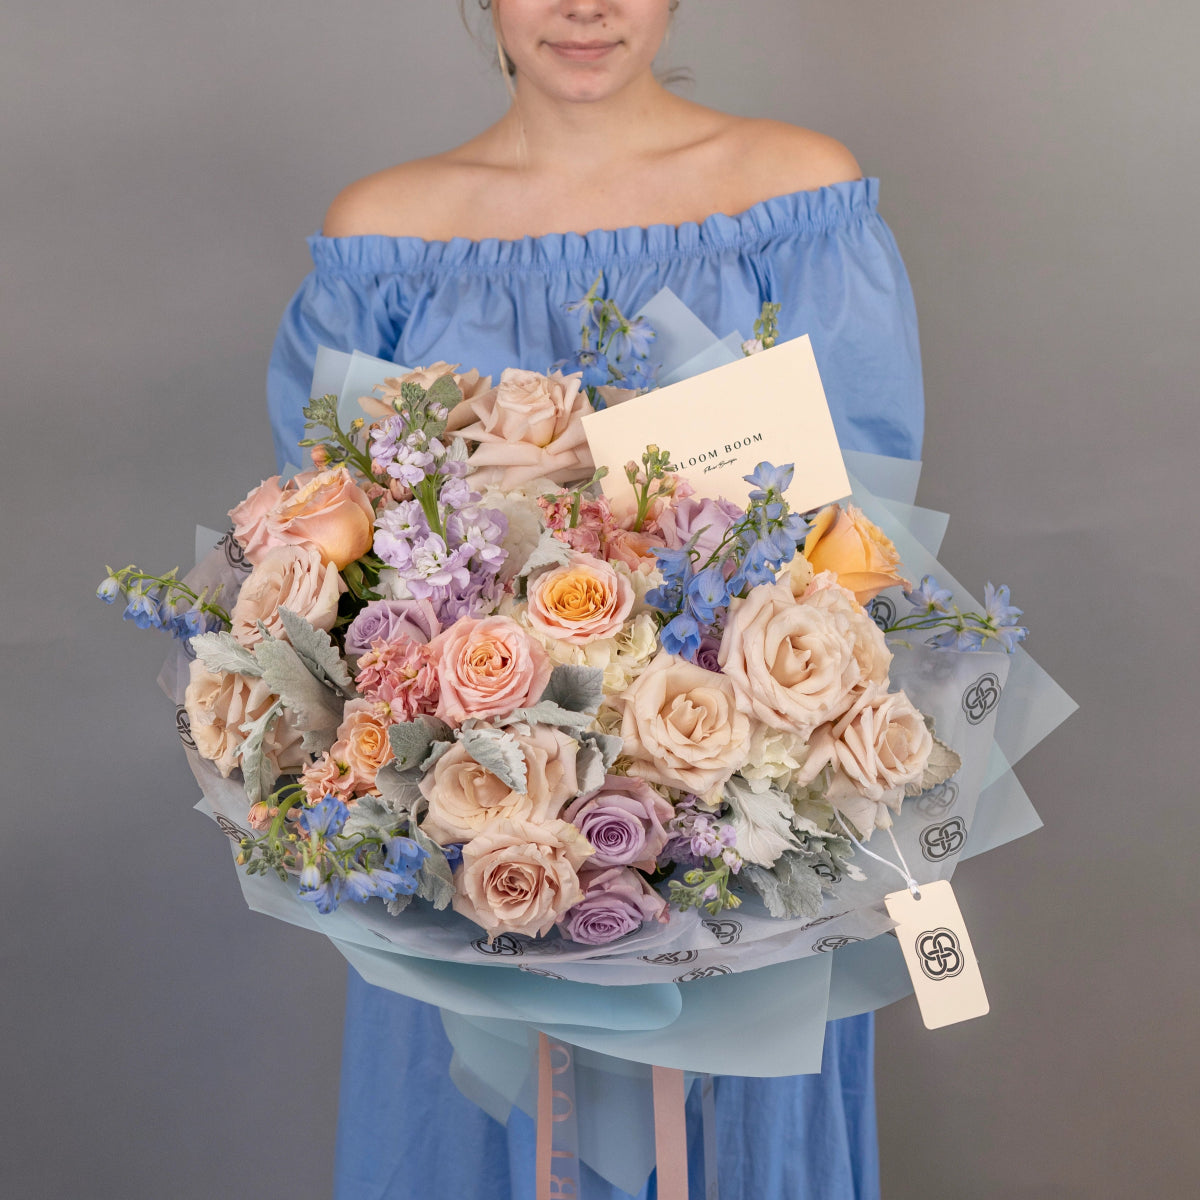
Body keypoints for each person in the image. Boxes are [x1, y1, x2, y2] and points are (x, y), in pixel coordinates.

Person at [267, 2, 923, 1196]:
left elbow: (862, 545)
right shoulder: (384, 238)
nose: (585, 5)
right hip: (471, 880)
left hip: (747, 866)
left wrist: (711, 761)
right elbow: (332, 600)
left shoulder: (799, 200)